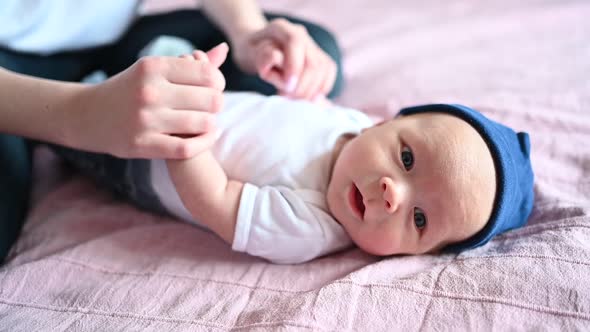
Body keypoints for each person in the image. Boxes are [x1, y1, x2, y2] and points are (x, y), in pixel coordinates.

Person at [49, 46, 535, 264]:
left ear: (420, 253)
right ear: (387, 122)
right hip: (201, 103)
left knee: (72, 129)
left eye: (421, 219)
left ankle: (49, 111)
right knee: (154, 61)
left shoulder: (308, 227)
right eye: (407, 160)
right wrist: (287, 72)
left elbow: (215, 200)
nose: (393, 193)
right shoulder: (353, 127)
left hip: (145, 162)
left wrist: (184, 133)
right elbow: (297, 108)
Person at [0, 0, 344, 263]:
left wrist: (248, 33)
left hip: (112, 40)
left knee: (310, 54)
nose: (392, 193)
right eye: (402, 156)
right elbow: (217, 199)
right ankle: (42, 121)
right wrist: (77, 115)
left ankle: (106, 88)